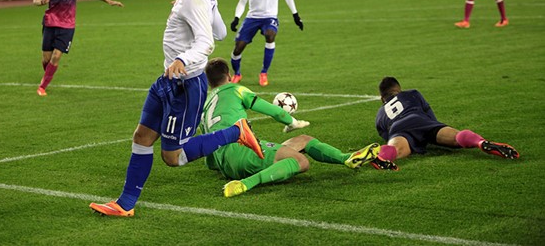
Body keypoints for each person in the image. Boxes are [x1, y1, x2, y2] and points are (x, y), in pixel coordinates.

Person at [89, 0, 264, 218]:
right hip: (166, 81)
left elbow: (207, 42)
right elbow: (219, 31)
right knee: (142, 137)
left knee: (174, 158)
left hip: (184, 85)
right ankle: (125, 204)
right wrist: (200, 7)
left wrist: (182, 58)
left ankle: (236, 132)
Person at [201, 58, 380, 198]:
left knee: (304, 140)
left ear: (210, 82)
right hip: (244, 152)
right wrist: (292, 122)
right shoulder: (235, 90)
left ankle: (347, 158)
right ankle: (246, 183)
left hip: (226, 163)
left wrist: (223, 165)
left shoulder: (206, 106)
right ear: (229, 75)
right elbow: (275, 112)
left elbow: (208, 154)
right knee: (301, 161)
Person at [372, 76, 519, 171]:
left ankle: (384, 158)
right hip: (420, 120)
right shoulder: (412, 93)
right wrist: (434, 131)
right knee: (456, 137)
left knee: (395, 148)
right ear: (398, 89)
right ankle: (480, 142)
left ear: (381, 98)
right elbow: (429, 115)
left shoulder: (379, 115)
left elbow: (387, 136)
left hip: (399, 129)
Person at [33, 0, 123, 96]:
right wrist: (41, 1)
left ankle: (42, 86)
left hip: (67, 25)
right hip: (50, 23)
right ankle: (48, 74)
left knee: (56, 56)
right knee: (46, 58)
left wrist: (108, 0)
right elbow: (35, 0)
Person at [230, 0, 303, 87]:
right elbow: (242, 2)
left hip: (269, 17)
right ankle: (237, 73)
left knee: (270, 35)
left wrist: (295, 15)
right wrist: (236, 18)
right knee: (237, 49)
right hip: (252, 18)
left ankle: (264, 73)